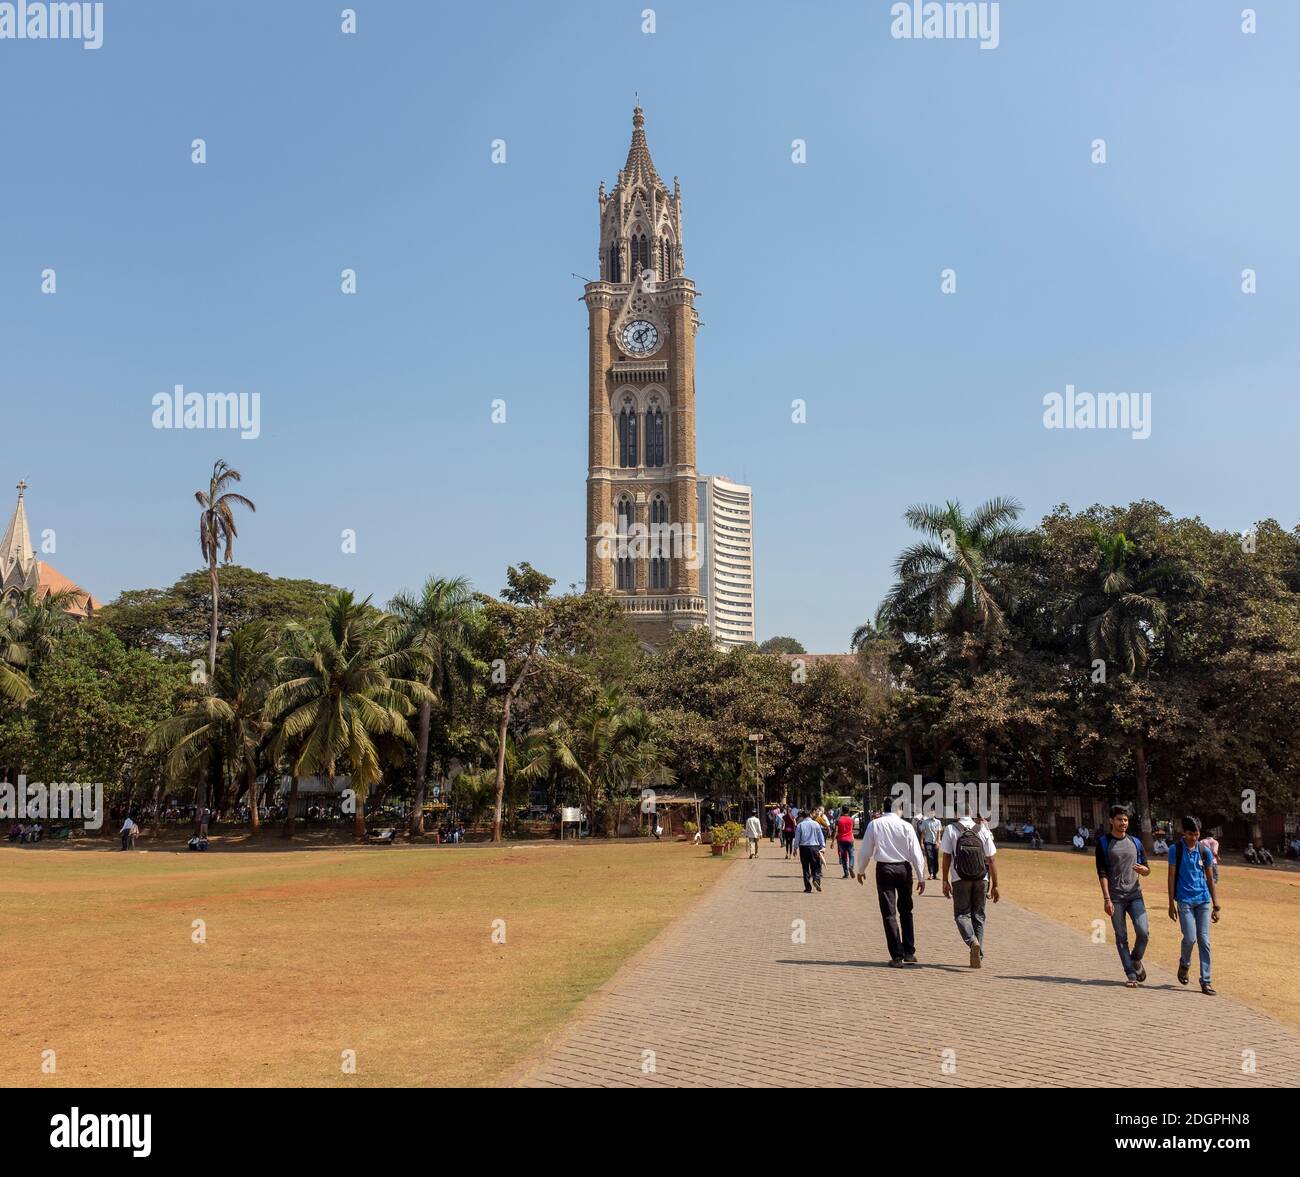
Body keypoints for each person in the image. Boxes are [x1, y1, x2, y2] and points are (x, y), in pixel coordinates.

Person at [856, 805, 927, 966]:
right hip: (903, 869)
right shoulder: (906, 826)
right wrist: (921, 877)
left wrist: (861, 869)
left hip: (884, 869)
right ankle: (909, 952)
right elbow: (916, 853)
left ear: (883, 809)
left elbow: (866, 850)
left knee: (889, 913)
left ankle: (897, 955)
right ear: (899, 809)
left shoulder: (875, 824)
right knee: (906, 910)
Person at [1096, 805, 1151, 987]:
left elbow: (1146, 868)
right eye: (1119, 819)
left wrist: (1144, 871)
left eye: (1125, 820)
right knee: (1121, 937)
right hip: (1116, 898)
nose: (1123, 823)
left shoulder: (1136, 842)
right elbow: (1102, 872)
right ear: (1111, 820)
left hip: (1135, 895)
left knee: (1143, 932)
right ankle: (1131, 974)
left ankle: (1136, 959)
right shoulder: (1104, 843)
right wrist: (1107, 899)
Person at [1167, 815, 1220, 996]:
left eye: (1196, 834)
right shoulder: (1176, 849)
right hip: (1185, 901)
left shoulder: (1204, 851)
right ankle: (1184, 964)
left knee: (1204, 941)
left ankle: (1206, 981)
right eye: (1190, 834)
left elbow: (1210, 878)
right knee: (1190, 938)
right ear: (1183, 832)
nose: (1193, 838)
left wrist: (1216, 905)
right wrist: (1170, 904)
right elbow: (1171, 876)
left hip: (1203, 901)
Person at [941, 810, 999, 967]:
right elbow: (991, 859)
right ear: (972, 814)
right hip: (982, 878)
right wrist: (996, 885)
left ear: (956, 814)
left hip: (960, 878)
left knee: (961, 914)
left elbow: (946, 856)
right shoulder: (982, 829)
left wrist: (945, 880)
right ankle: (978, 956)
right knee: (979, 916)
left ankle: (972, 941)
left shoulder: (951, 829)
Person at [792, 809, 826, 893]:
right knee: (816, 866)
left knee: (805, 868)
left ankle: (808, 887)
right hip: (814, 847)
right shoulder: (816, 824)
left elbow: (797, 839)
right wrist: (823, 847)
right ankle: (816, 880)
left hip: (803, 848)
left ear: (802, 816)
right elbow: (820, 837)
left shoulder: (800, 825)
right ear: (810, 815)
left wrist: (795, 849)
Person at [919, 813, 942, 879]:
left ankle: (935, 874)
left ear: (935, 814)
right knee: (929, 857)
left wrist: (938, 842)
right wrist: (921, 843)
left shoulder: (938, 822)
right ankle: (931, 873)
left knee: (935, 858)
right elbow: (923, 832)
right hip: (927, 842)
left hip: (935, 842)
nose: (931, 814)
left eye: (933, 813)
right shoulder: (925, 822)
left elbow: (939, 833)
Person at [835, 808, 856, 878]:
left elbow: (836, 831)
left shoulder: (838, 820)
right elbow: (852, 827)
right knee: (851, 855)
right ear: (848, 811)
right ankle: (851, 866)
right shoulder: (851, 819)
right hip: (850, 839)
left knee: (843, 857)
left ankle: (846, 874)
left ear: (842, 811)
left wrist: (832, 841)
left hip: (841, 840)